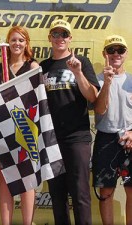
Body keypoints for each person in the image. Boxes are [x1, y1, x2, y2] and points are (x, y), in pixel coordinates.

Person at [39, 19, 100, 225]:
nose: (59, 38)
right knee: (57, 195)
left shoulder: (82, 61)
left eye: (64, 34)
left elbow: (92, 97)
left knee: (80, 193)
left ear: (70, 38)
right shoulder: (43, 67)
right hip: (51, 139)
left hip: (77, 137)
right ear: (50, 39)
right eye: (55, 34)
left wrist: (77, 72)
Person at [0, 26, 39, 225]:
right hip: (2, 128)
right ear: (7, 43)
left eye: (21, 40)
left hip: (26, 128)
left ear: (26, 44)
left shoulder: (33, 66)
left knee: (27, 180)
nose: (17, 44)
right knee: (5, 179)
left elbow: (37, 100)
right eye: (13, 40)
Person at [92, 35, 132, 225]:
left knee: (131, 190)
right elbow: (99, 110)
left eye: (120, 50)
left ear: (125, 54)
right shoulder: (97, 81)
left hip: (130, 139)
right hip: (105, 139)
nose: (116, 54)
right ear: (104, 54)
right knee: (106, 192)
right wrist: (107, 82)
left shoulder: (131, 81)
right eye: (111, 50)